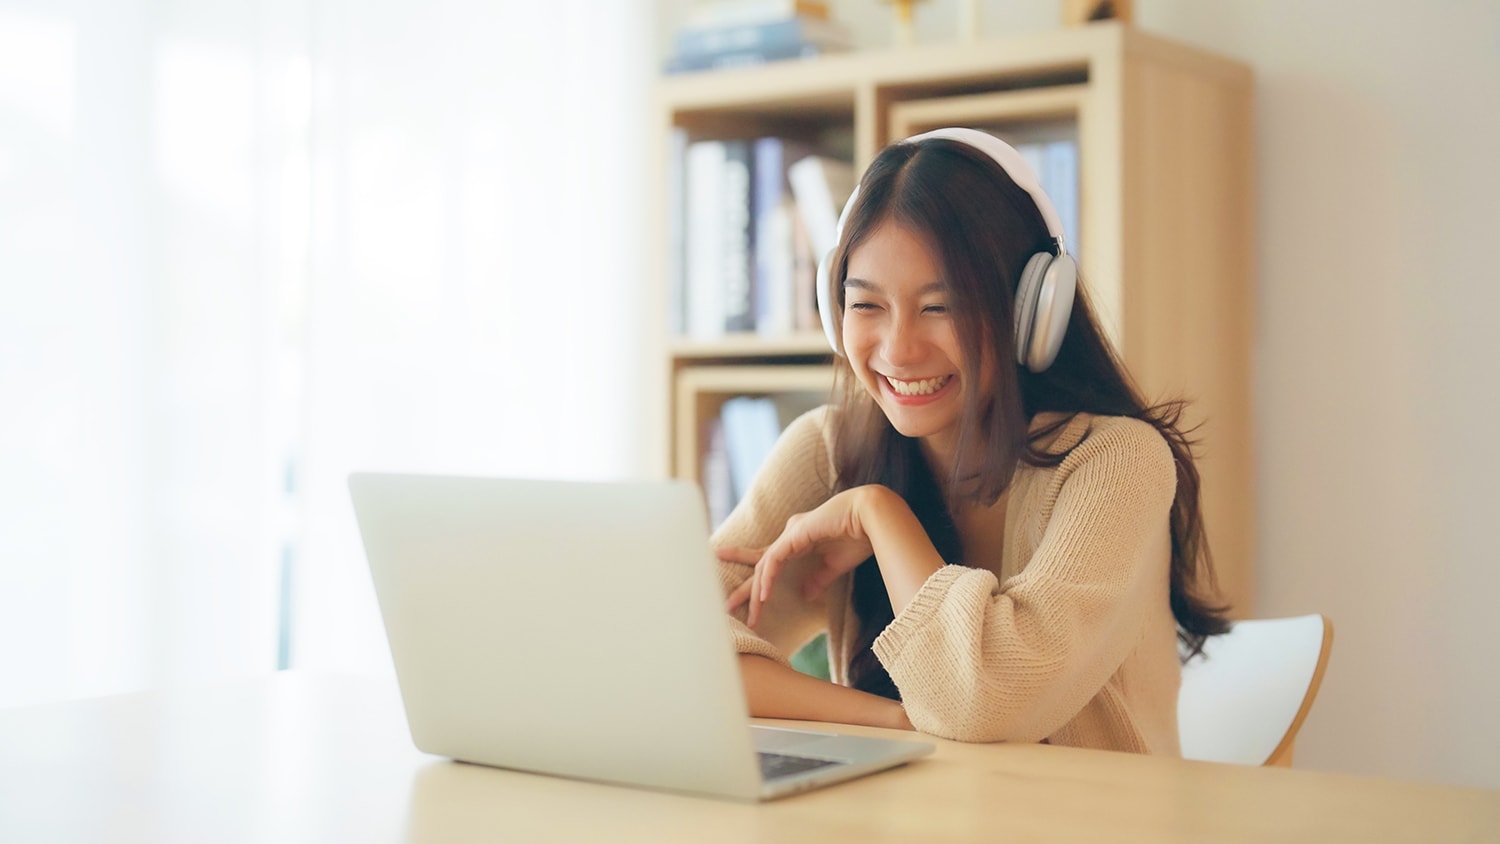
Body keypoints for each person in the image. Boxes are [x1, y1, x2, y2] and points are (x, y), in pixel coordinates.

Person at [711, 128, 1229, 754]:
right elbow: (678, 651)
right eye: (867, 305)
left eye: (941, 307)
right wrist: (897, 723)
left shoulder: (1116, 463)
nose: (899, 350)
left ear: (1031, 308)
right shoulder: (828, 449)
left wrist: (879, 513)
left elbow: (985, 702)